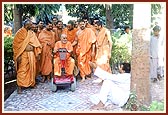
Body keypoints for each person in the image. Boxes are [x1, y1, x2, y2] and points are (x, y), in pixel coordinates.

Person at [13, 19, 42, 94]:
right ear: (26, 25)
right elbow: (16, 45)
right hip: (23, 54)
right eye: (31, 24)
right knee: (22, 70)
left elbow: (37, 43)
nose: (32, 25)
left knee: (32, 69)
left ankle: (31, 83)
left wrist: (37, 53)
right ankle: (19, 86)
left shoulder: (32, 33)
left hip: (31, 54)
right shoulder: (19, 33)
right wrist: (18, 55)